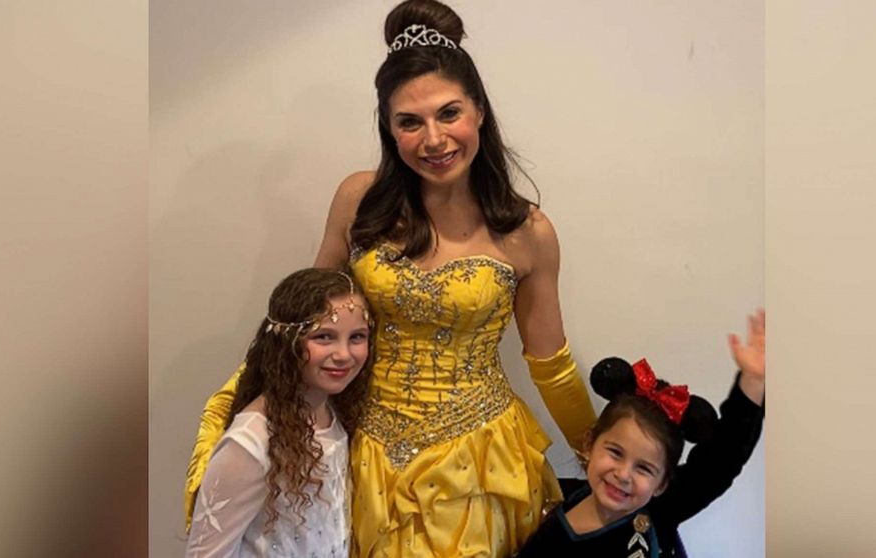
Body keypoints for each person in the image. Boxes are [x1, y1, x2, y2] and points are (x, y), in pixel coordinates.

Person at [185, 0, 598, 555]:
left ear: (478, 110)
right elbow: (298, 322)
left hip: (477, 462)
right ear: (389, 127)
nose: (434, 139)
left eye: (449, 113)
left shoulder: (528, 232)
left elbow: (551, 365)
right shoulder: (359, 200)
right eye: (410, 121)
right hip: (363, 449)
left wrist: (600, 451)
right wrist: (231, 413)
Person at [515, 310, 766, 557]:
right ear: (590, 443)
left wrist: (753, 382)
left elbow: (721, 461)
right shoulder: (554, 524)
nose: (623, 474)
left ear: (662, 484)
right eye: (615, 452)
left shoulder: (661, 509)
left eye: (644, 468)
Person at [184, 268, 373, 557]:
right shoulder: (251, 443)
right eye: (324, 337)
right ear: (286, 341)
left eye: (357, 337)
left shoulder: (334, 415)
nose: (344, 354)